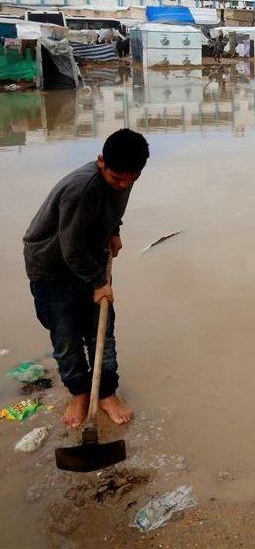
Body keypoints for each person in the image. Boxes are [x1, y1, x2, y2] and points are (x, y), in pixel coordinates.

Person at [23, 129, 149, 429]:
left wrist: (114, 230)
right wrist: (98, 283)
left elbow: (112, 205)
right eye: (117, 178)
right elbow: (71, 248)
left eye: (130, 179)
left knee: (101, 333)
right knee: (66, 337)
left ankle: (106, 392)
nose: (123, 185)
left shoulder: (124, 177)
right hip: (52, 266)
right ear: (100, 161)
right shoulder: (82, 189)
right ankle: (79, 393)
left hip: (87, 257)